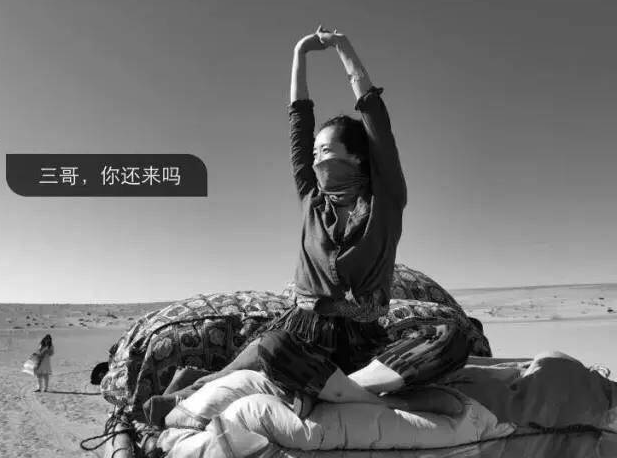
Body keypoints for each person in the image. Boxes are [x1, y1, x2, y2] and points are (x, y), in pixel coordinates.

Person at [179, 25, 472, 400]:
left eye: (326, 151)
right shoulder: (311, 197)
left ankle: (347, 390)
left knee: (451, 338)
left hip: (365, 343)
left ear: (357, 157)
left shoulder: (386, 200)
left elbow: (375, 116)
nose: (316, 160)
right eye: (314, 154)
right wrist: (299, 54)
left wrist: (343, 48)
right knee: (272, 347)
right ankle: (352, 393)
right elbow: (298, 121)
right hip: (303, 336)